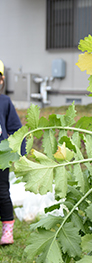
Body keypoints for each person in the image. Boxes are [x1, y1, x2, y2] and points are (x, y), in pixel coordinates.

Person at [0, 60, 26, 245]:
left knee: (2, 193)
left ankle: (7, 231)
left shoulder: (4, 102)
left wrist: (21, 154)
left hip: (0, 158)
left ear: (1, 80)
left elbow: (16, 129)